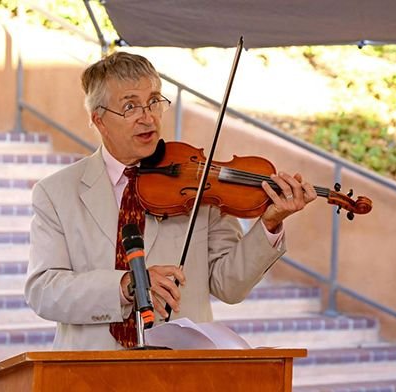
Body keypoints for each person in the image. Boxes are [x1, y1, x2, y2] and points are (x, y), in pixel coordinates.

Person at [24, 51, 317, 350]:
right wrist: (126, 285)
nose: (147, 116)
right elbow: (44, 291)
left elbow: (230, 286)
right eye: (130, 106)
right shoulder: (56, 192)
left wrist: (269, 224)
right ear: (99, 120)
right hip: (87, 373)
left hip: (180, 369)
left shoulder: (199, 184)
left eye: (154, 101)